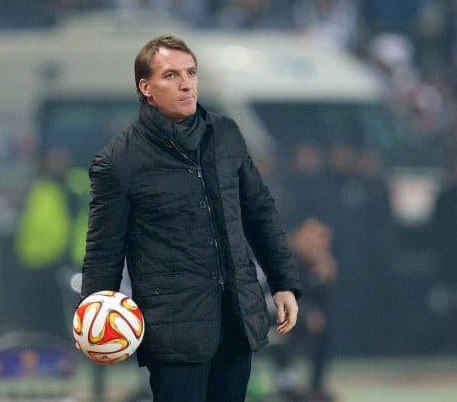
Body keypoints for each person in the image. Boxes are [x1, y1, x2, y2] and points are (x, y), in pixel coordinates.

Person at [80, 35, 302, 402]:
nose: (186, 83)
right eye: (171, 75)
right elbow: (104, 251)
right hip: (173, 332)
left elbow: (259, 211)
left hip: (236, 320)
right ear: (145, 87)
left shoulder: (226, 135)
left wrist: (284, 281)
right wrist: (95, 321)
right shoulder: (118, 162)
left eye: (191, 72)